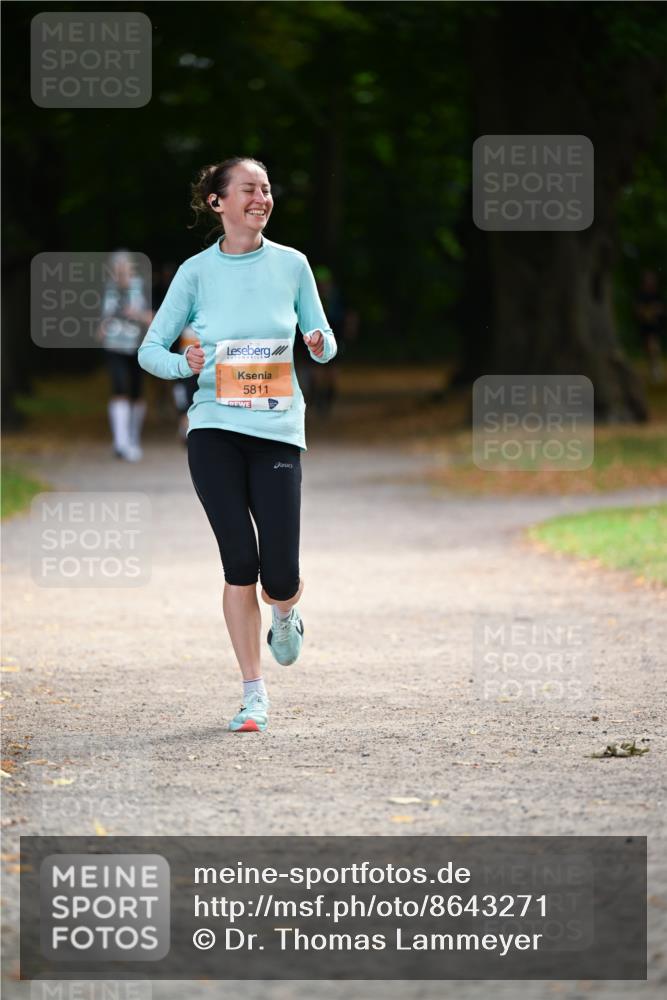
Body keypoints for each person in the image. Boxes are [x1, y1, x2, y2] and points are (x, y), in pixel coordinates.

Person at [137, 156, 337, 733]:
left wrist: (319, 342)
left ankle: (285, 613)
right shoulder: (195, 273)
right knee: (238, 563)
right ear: (217, 202)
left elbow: (321, 347)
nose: (261, 198)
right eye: (248, 190)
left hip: (276, 430)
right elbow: (151, 350)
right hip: (214, 428)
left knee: (279, 574)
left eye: (267, 190)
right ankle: (254, 693)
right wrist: (184, 362)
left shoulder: (292, 265)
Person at [99, 250, 153, 461]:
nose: (121, 274)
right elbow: (98, 318)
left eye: (125, 269)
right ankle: (120, 443)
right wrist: (101, 326)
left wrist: (137, 314)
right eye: (117, 270)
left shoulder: (143, 288)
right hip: (114, 346)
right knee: (119, 387)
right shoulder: (107, 290)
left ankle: (132, 439)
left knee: (137, 393)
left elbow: (155, 318)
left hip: (138, 346)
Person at [635, 269, 665, 385]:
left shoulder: (657, 294)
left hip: (655, 326)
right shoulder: (640, 294)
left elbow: (660, 308)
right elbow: (639, 310)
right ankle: (653, 368)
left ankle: (656, 369)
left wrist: (651, 311)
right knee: (649, 348)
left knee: (654, 345)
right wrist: (648, 312)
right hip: (644, 326)